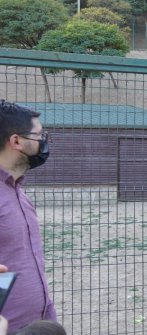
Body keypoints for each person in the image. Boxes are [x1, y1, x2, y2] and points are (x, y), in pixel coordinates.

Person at [0, 100, 57, 333]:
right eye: (39, 135)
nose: (44, 142)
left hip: (38, 324)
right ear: (16, 141)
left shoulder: (17, 191)